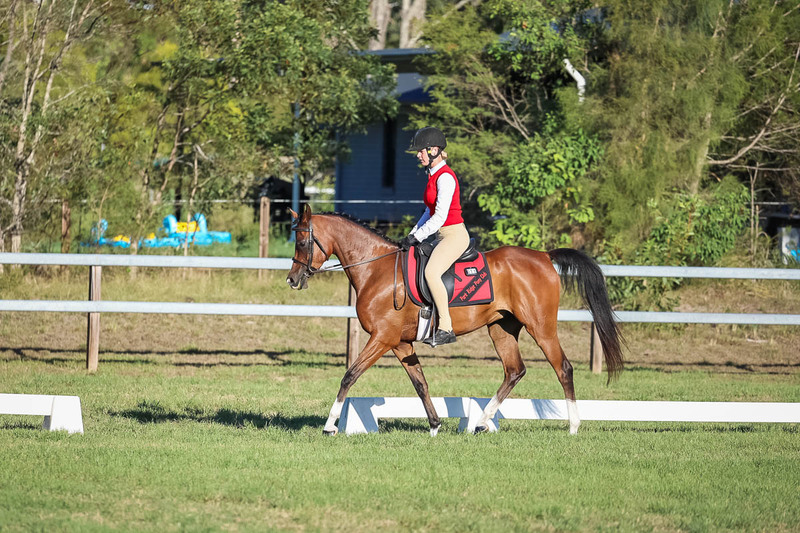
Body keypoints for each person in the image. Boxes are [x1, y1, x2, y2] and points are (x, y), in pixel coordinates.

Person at [399, 127, 470, 346]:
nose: (418, 155)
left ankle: (446, 328)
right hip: (440, 235)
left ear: (434, 150)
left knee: (431, 272)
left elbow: (440, 217)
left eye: (420, 151)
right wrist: (411, 235)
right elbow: (429, 211)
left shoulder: (445, 178)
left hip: (454, 235)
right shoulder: (433, 176)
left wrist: (418, 237)